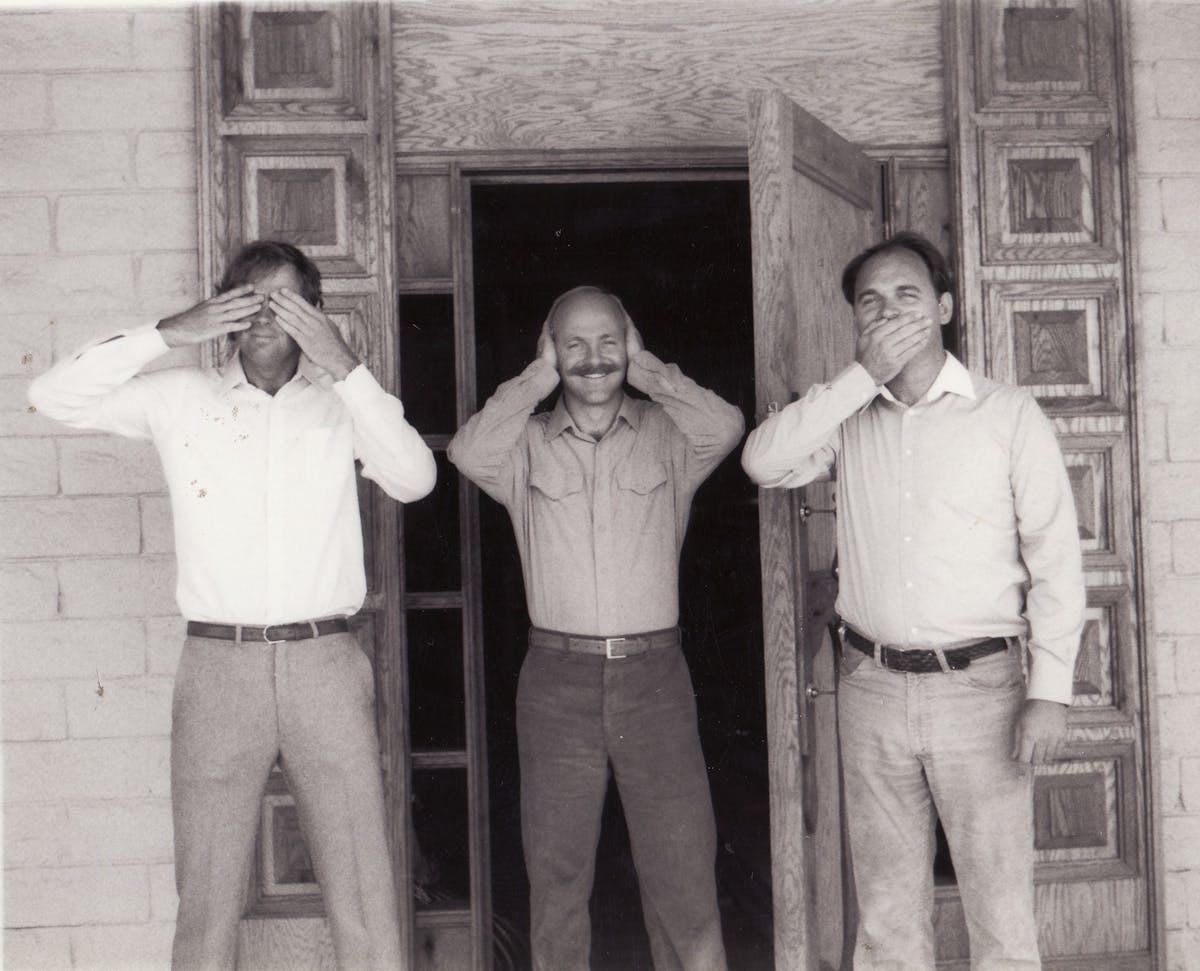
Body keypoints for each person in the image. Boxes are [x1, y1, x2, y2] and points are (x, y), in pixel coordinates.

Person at [29, 240, 437, 970]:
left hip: (325, 664)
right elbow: (51, 395)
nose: (262, 316)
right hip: (219, 666)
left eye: (283, 301)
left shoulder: (341, 405)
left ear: (313, 311)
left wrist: (345, 364)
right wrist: (169, 331)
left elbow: (414, 477)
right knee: (208, 895)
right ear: (222, 308)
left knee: (363, 888)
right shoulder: (180, 397)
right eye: (246, 298)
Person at [741, 232, 1085, 970]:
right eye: (871, 301)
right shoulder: (845, 416)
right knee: (888, 916)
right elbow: (762, 460)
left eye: (907, 295)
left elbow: (1056, 559)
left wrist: (1050, 691)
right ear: (856, 322)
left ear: (945, 307)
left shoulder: (1007, 414)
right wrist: (859, 378)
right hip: (872, 688)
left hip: (983, 691)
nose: (889, 310)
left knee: (1000, 912)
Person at [448, 286, 743, 971]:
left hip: (655, 681)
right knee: (558, 877)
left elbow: (725, 424)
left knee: (683, 873)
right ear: (549, 351)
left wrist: (648, 370)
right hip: (557, 682)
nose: (593, 358)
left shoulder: (671, 436)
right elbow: (468, 449)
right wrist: (537, 377)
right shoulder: (523, 447)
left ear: (631, 342)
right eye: (572, 343)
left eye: (609, 340)